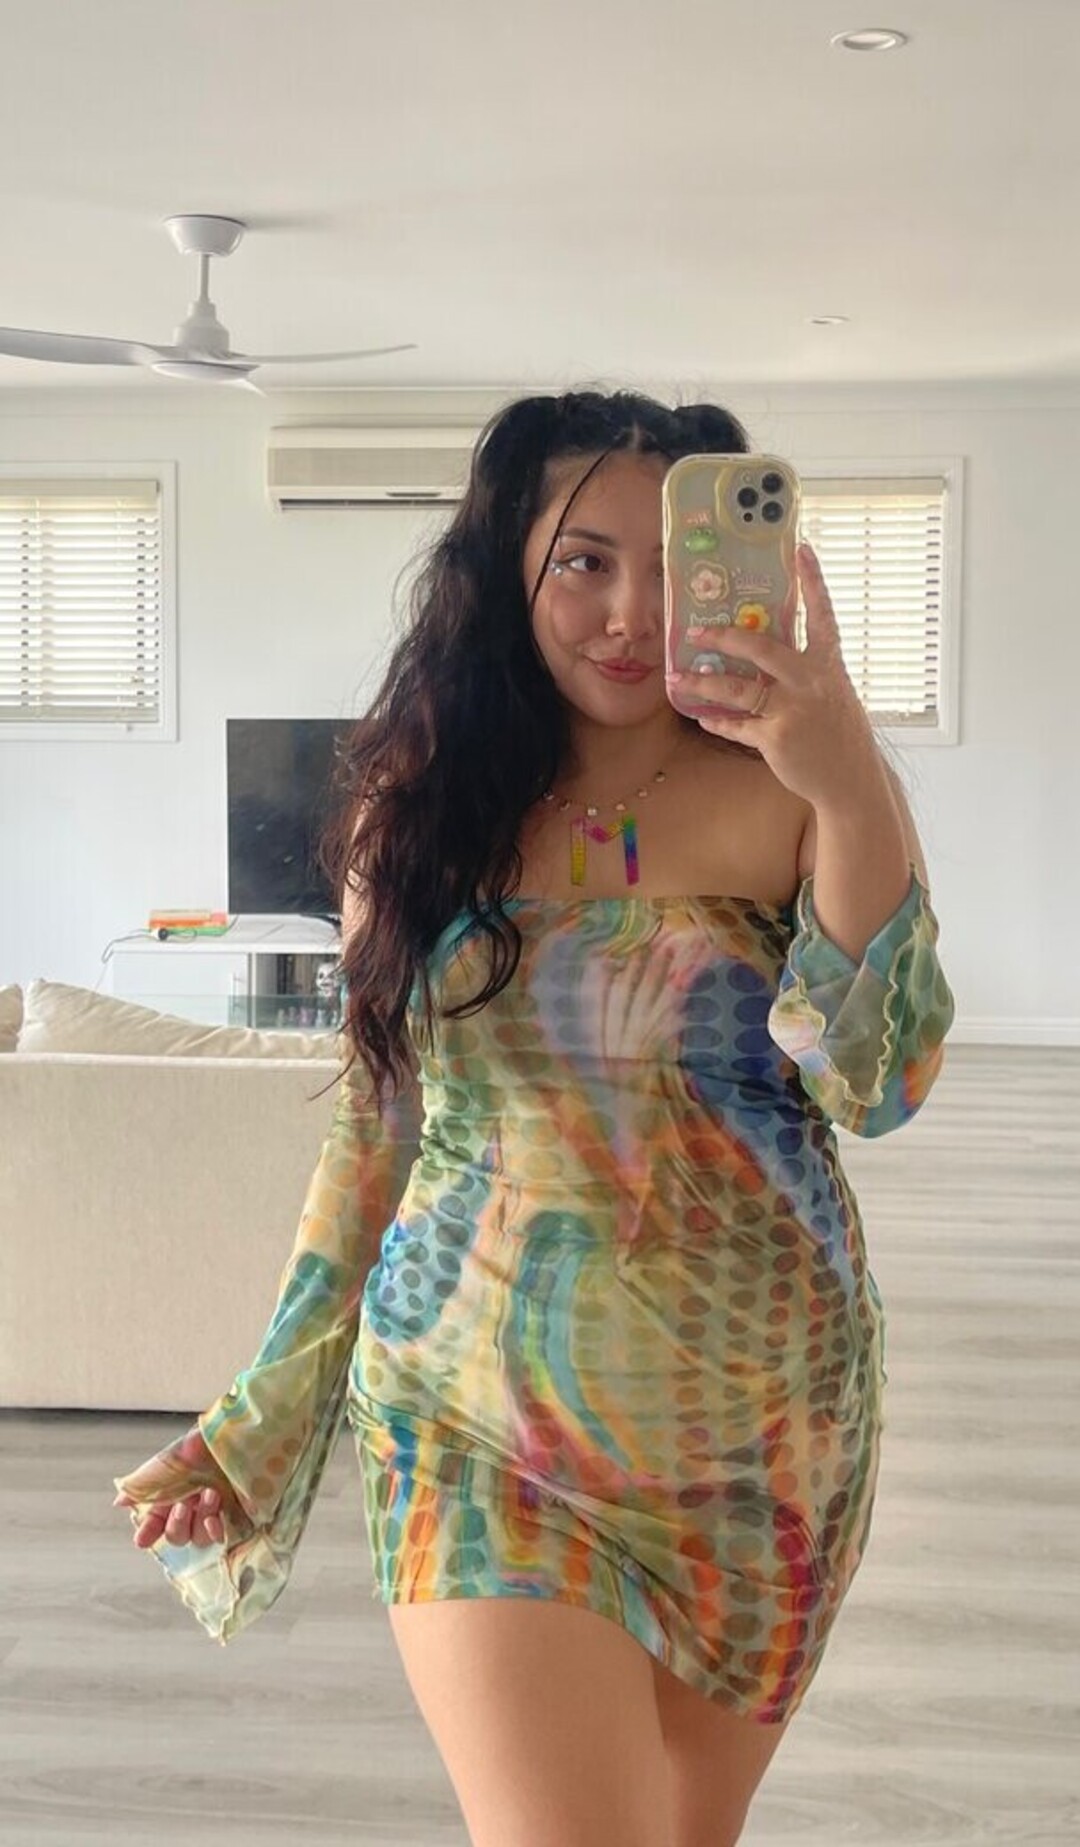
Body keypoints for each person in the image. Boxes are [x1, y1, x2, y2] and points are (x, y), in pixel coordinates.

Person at [113, 389, 956, 1847]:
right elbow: (377, 1132)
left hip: (763, 1429)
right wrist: (267, 1406)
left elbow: (877, 1089)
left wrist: (847, 785)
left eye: (672, 565)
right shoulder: (416, 811)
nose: (632, 613)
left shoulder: (803, 796)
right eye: (584, 561)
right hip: (471, 1413)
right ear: (505, 570)